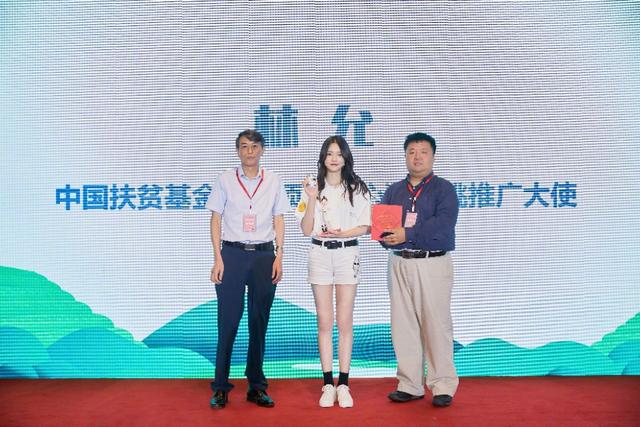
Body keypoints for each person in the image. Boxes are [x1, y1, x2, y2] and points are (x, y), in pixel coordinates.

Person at [206, 129, 290, 409]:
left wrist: (279, 255)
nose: (249, 151)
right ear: (238, 151)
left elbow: (279, 219)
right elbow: (215, 219)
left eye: (254, 146)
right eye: (244, 147)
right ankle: (220, 387)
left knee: (258, 322)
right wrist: (218, 258)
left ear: (262, 150)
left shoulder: (273, 180)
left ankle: (256, 386)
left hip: (264, 256)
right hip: (232, 255)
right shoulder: (225, 180)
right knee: (228, 323)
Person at [379, 132, 459, 408]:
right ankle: (410, 384)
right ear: (405, 156)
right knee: (403, 325)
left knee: (436, 325)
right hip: (399, 262)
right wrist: (385, 237)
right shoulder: (394, 190)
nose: (417, 157)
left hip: (432, 263)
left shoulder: (444, 189)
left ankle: (442, 385)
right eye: (411, 152)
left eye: (423, 152)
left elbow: (443, 225)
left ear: (433, 156)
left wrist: (407, 233)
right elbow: (383, 226)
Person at [295, 135, 371, 408]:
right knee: (324, 321)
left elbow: (367, 226)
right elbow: (306, 229)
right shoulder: (312, 186)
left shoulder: (357, 187)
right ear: (323, 158)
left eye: (339, 153)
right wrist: (311, 198)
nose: (334, 158)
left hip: (347, 253)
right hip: (319, 254)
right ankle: (328, 384)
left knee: (345, 321)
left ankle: (344, 384)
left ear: (346, 157)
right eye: (329, 153)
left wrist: (342, 233)